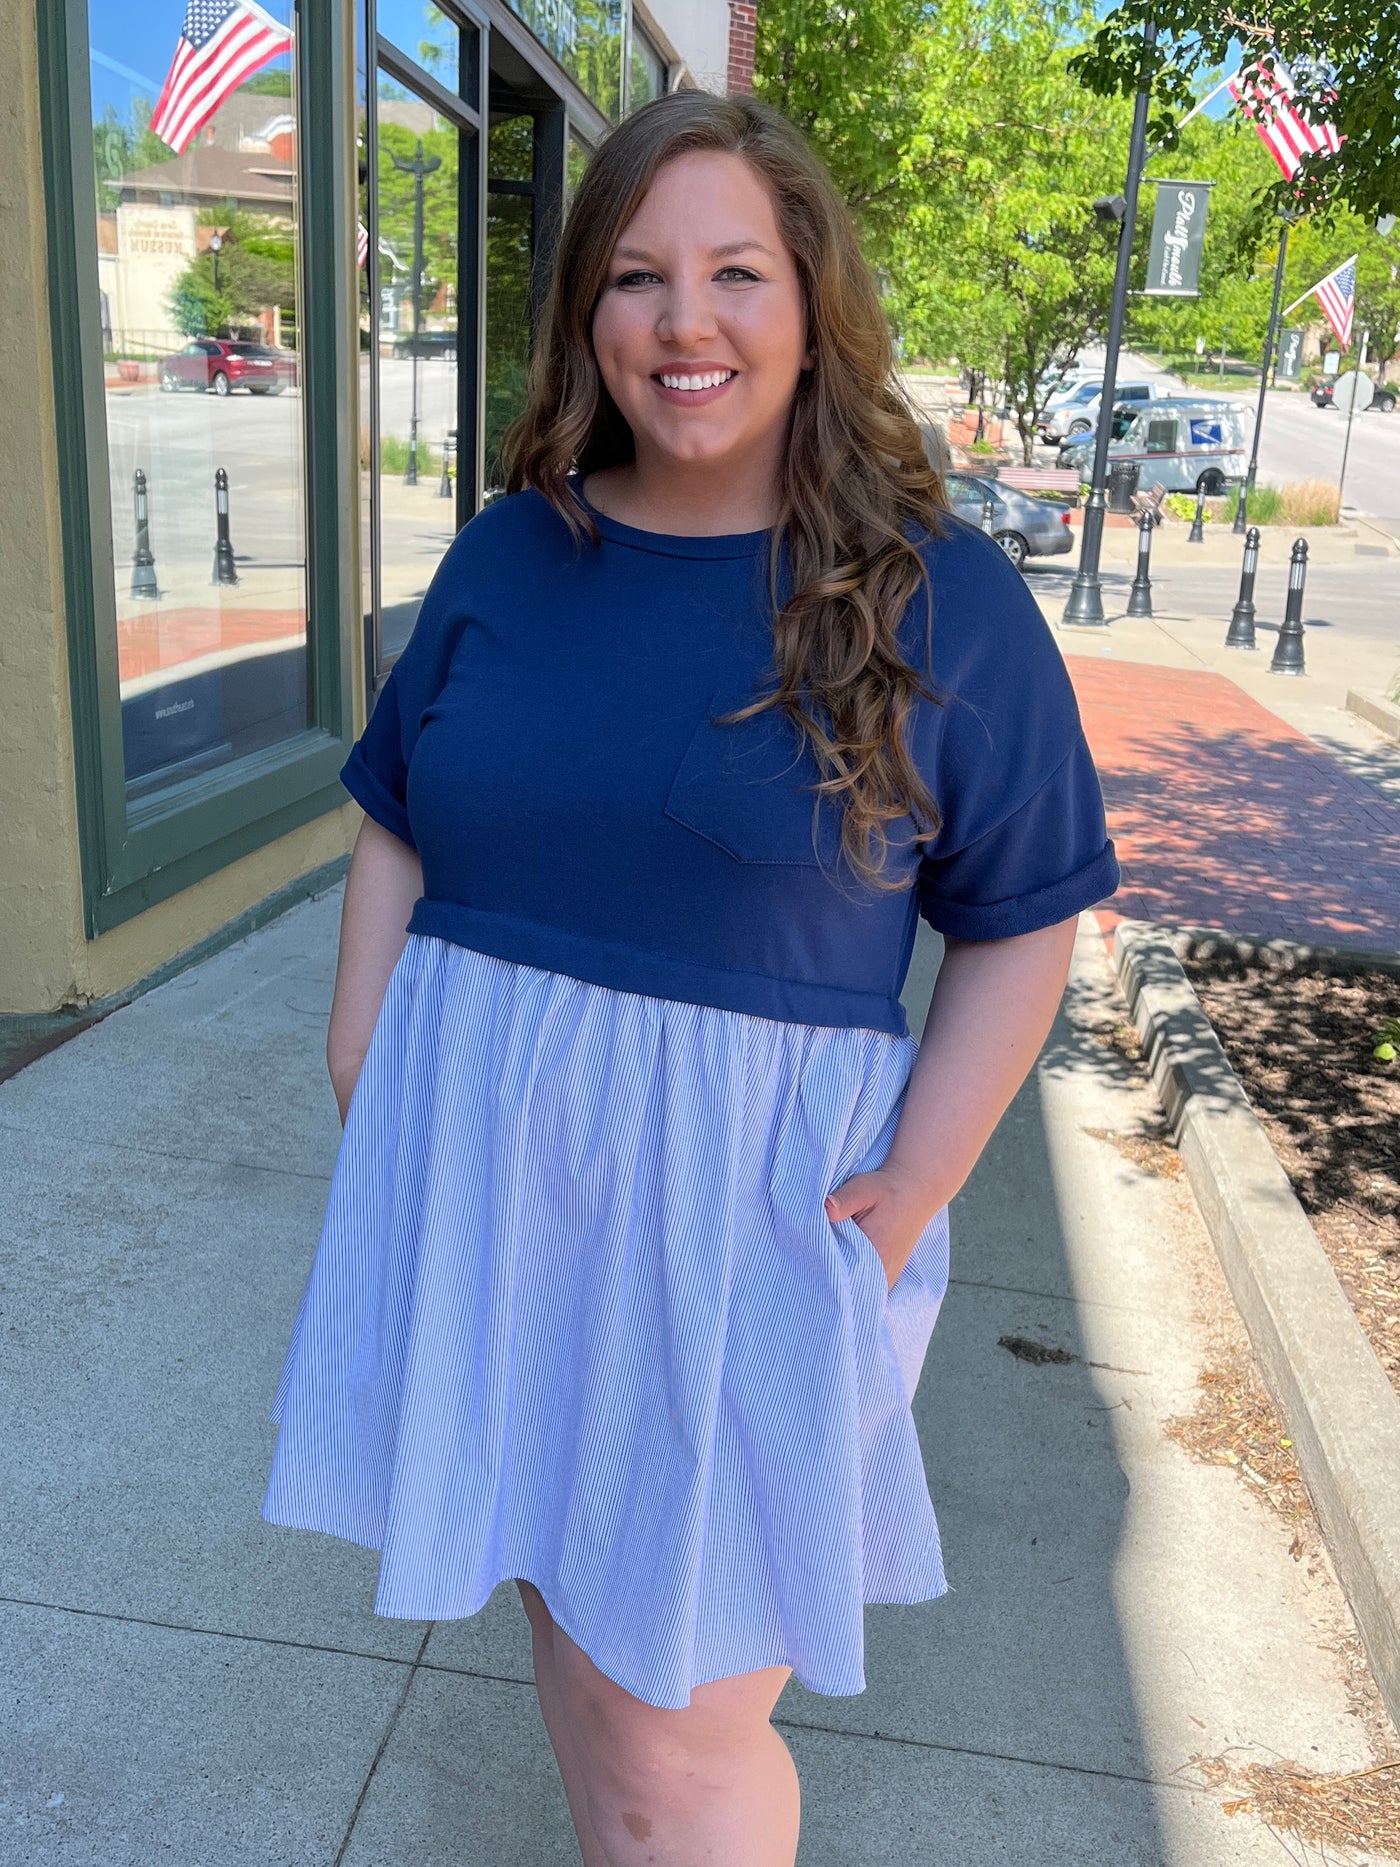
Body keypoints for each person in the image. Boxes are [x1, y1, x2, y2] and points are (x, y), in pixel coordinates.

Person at [263, 89, 1118, 1867]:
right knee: (579, 1662)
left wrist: (916, 1189)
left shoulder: (933, 595)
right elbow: (399, 809)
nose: (686, 321)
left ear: (811, 306)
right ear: (590, 311)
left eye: (737, 271)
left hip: (743, 1229)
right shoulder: (514, 551)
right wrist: (367, 1051)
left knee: (678, 1732)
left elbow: (1024, 913)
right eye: (640, 276)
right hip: (498, 1192)